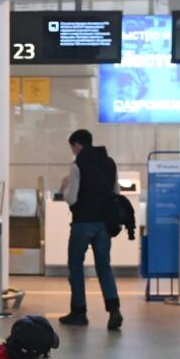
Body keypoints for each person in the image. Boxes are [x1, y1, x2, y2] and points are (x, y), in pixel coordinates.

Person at [58, 129, 122, 331]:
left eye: (72, 147)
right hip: (104, 224)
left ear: (77, 145)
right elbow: (116, 191)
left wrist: (64, 187)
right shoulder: (110, 162)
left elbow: (72, 198)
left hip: (82, 223)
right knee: (104, 266)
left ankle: (79, 312)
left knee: (76, 266)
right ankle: (114, 310)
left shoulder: (77, 165)